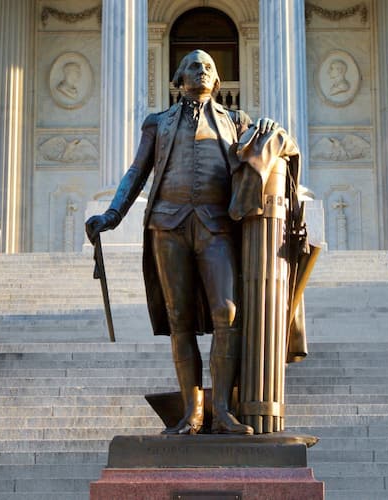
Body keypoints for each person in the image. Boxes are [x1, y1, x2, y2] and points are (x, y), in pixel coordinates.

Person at [85, 50, 279, 435]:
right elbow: (137, 171)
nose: (202, 70)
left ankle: (222, 409)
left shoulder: (237, 121)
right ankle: (192, 411)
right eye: (193, 65)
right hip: (167, 225)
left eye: (209, 66)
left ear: (219, 80)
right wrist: (112, 215)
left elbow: (272, 154)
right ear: (178, 77)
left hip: (216, 225)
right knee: (180, 321)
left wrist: (275, 132)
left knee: (227, 312)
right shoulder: (158, 123)